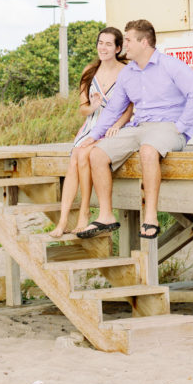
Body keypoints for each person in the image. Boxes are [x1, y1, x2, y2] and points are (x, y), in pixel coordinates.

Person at [76, 18, 193, 240]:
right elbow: (114, 109)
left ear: (144, 42)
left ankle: (151, 217)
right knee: (97, 154)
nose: (124, 45)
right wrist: (94, 135)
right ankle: (106, 216)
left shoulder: (170, 65)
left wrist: (181, 126)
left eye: (127, 40)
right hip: (139, 127)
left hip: (168, 127)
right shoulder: (128, 73)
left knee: (148, 150)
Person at [49, 27, 133, 238]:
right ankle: (62, 220)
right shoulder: (90, 71)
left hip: (112, 127)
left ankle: (84, 212)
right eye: (100, 43)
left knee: (83, 155)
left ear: (118, 48)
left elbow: (131, 106)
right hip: (90, 126)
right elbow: (82, 109)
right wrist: (94, 106)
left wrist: (119, 124)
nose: (102, 48)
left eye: (108, 44)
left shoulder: (126, 71)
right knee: (75, 158)